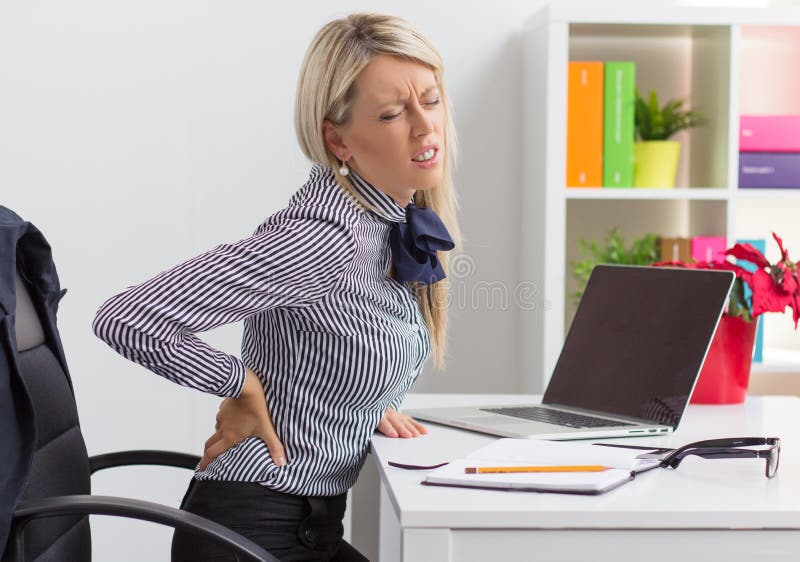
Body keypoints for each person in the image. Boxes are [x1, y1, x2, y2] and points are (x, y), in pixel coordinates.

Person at [92, 12, 461, 562]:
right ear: (337, 139)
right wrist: (238, 383)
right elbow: (127, 316)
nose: (425, 126)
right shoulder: (324, 241)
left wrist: (361, 403)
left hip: (304, 527)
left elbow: (324, 339)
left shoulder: (382, 224)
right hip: (251, 534)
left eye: (430, 101)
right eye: (391, 113)